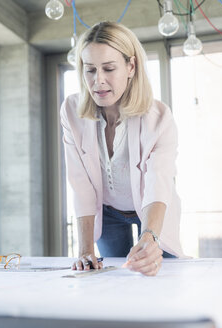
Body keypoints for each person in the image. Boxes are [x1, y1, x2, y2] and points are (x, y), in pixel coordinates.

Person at [60, 22, 185, 276]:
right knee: (113, 277)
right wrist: (85, 250)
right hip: (107, 213)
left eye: (108, 68)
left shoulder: (158, 117)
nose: (98, 81)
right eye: (90, 70)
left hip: (152, 207)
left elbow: (158, 180)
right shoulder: (71, 112)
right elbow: (80, 183)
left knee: (159, 270)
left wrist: (149, 236)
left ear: (131, 66)